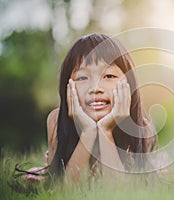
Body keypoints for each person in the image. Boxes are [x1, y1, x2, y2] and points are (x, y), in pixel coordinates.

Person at [20, 33, 157, 182]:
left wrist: (105, 130)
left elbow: (119, 194)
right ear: (68, 87)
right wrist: (88, 131)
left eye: (109, 76)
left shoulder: (140, 127)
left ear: (128, 84)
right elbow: (65, 192)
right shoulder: (56, 120)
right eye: (82, 77)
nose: (95, 88)